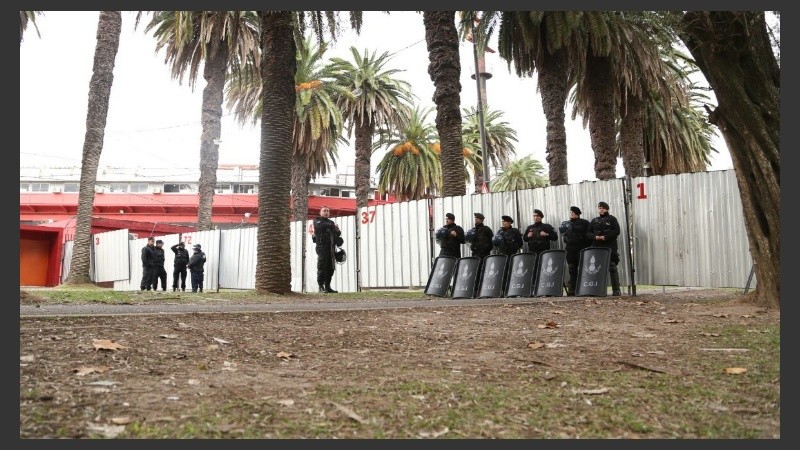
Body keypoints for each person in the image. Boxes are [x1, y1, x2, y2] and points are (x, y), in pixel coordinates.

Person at [587, 201, 622, 296]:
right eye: (599, 208)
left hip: (609, 247)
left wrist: (605, 237)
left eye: (603, 208)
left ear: (607, 209)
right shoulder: (594, 221)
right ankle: (596, 290)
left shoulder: (612, 219)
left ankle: (616, 290)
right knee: (596, 269)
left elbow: (616, 231)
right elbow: (588, 233)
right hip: (596, 247)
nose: (601, 209)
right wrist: (595, 237)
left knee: (612, 267)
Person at [560, 206, 592, 296]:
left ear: (577, 214)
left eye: (573, 212)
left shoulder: (584, 223)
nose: (571, 214)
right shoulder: (566, 224)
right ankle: (572, 290)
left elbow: (589, 235)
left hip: (581, 249)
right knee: (572, 269)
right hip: (571, 250)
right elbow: (564, 235)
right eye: (571, 212)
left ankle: (585, 289)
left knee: (583, 269)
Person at [312, 206, 342, 293]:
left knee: (330, 267)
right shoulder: (317, 220)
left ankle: (328, 286)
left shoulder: (330, 222)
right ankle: (321, 286)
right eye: (324, 211)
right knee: (322, 266)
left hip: (331, 248)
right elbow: (320, 226)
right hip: (322, 247)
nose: (326, 212)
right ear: (320, 212)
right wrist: (333, 226)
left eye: (328, 211)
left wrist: (337, 230)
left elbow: (337, 233)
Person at [492, 215, 523, 285]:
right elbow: (495, 243)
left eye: (505, 221)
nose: (503, 223)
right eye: (503, 221)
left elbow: (520, 243)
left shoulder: (514, 231)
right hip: (502, 255)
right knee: (503, 271)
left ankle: (512, 285)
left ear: (509, 223)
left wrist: (514, 247)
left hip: (512, 254)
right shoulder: (499, 232)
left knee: (512, 270)